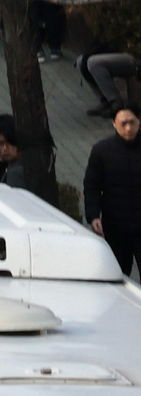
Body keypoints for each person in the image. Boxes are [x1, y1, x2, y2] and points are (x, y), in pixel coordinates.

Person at [84, 104, 141, 276]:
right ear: (114, 124)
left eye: (132, 122)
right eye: (123, 123)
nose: (128, 128)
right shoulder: (102, 151)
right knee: (118, 275)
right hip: (116, 227)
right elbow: (92, 185)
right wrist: (93, 215)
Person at [78, 44, 140, 118]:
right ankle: (104, 100)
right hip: (113, 52)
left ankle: (116, 101)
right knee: (81, 61)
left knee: (93, 62)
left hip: (132, 57)